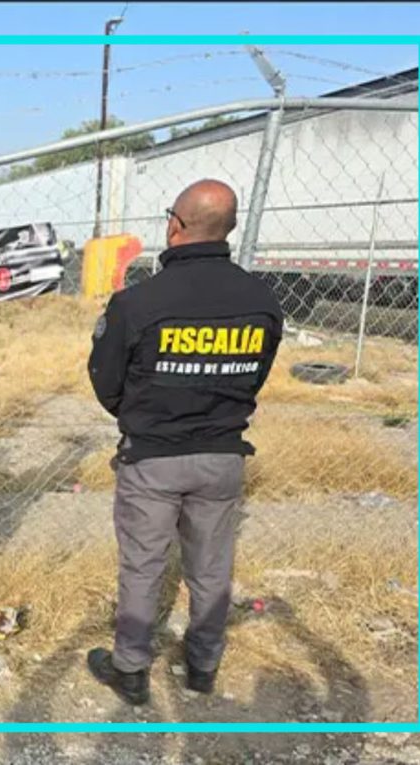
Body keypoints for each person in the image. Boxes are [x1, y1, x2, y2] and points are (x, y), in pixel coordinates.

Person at [85, 178, 284, 706]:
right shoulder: (262, 301)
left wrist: (145, 416)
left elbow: (106, 380)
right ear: (230, 228)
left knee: (143, 565)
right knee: (212, 566)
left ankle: (131, 669)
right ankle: (202, 666)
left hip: (153, 457)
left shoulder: (137, 302)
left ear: (175, 225)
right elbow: (255, 376)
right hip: (222, 456)